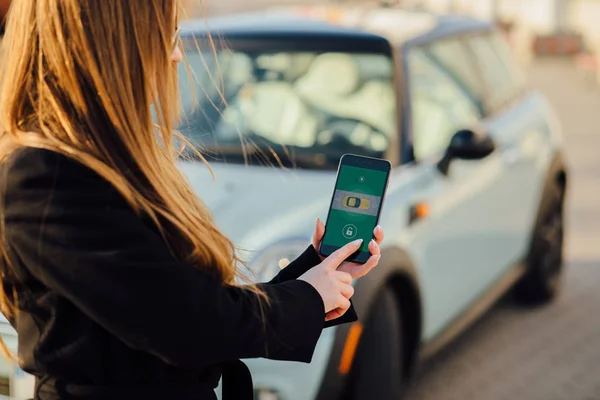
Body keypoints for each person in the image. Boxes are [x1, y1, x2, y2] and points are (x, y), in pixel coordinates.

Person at [0, 1, 384, 399]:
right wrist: (307, 298)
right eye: (166, 38)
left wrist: (313, 276)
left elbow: (183, 302)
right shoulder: (46, 174)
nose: (176, 54)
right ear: (111, 47)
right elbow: (181, 323)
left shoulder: (104, 159)